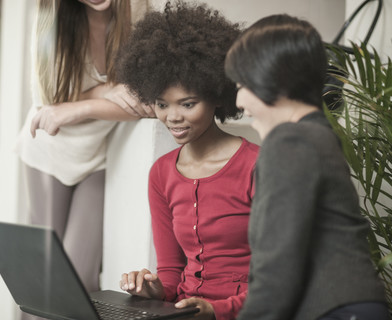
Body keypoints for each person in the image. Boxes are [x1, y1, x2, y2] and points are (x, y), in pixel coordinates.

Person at [225, 14, 388, 320]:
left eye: (241, 84)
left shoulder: (290, 141)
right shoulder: (318, 135)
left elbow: (277, 263)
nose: (238, 101)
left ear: (270, 76)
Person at [114, 2, 259, 319]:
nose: (173, 117)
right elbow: (170, 272)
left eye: (188, 103)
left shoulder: (257, 166)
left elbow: (280, 278)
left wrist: (216, 310)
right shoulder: (161, 173)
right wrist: (152, 289)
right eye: (162, 104)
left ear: (218, 94)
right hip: (183, 313)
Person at [15, 0, 152, 298]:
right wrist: (107, 91)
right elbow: (47, 101)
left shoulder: (137, 8)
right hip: (48, 152)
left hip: (98, 159)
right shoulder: (52, 14)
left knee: (79, 279)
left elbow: (148, 104)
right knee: (42, 276)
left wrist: (79, 108)